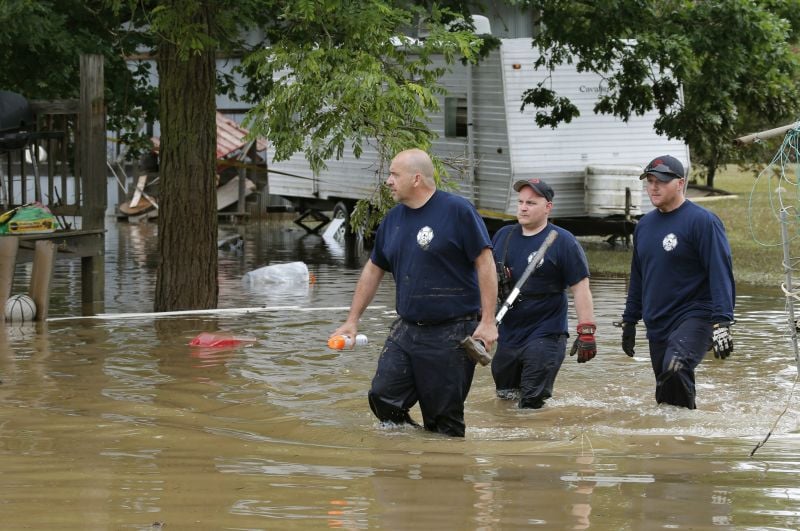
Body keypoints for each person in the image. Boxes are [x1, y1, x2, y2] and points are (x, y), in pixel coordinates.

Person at [330, 148, 498, 437]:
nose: (388, 181)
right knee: (383, 398)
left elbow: (485, 263)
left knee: (443, 423)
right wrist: (352, 320)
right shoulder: (393, 219)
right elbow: (373, 269)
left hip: (453, 331)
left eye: (394, 174)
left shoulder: (457, 211)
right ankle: (408, 458)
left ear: (416, 178)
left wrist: (488, 321)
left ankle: (443, 472)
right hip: (406, 330)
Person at [620, 155, 735, 409]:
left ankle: (684, 429)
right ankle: (679, 439)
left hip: (696, 315)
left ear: (680, 183)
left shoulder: (703, 222)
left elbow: (720, 272)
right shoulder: (644, 226)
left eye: (660, 181)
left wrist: (722, 321)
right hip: (657, 320)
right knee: (665, 391)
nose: (653, 187)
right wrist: (629, 320)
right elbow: (639, 276)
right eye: (649, 181)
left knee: (675, 368)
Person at [490, 178, 597, 409]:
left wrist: (586, 331)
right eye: (520, 202)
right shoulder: (502, 236)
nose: (523, 207)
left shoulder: (563, 241)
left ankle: (536, 443)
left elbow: (581, 289)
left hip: (546, 333)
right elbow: (485, 283)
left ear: (548, 207)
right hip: (509, 334)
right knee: (505, 400)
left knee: (530, 403)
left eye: (531, 202)